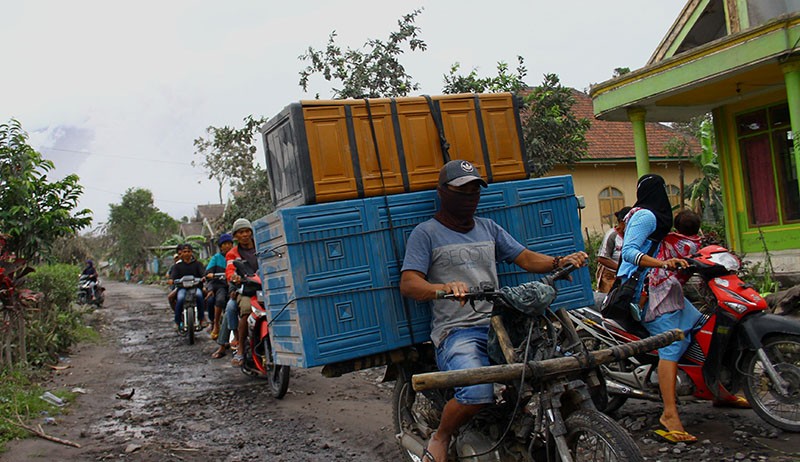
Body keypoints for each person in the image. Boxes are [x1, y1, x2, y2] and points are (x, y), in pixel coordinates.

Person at [399, 160, 587, 462]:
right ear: (443, 193)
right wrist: (444, 288)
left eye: (475, 189)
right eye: (462, 190)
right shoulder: (426, 233)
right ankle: (442, 435)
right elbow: (409, 283)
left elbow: (524, 257)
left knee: (552, 370)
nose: (470, 196)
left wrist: (559, 261)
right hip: (458, 331)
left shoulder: (489, 228)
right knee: (476, 395)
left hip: (501, 325)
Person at [616, 175, 702, 444]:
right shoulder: (646, 217)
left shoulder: (657, 216)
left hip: (662, 284)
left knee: (699, 323)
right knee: (672, 343)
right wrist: (662, 265)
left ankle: (717, 390)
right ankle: (669, 414)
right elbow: (629, 252)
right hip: (644, 289)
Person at [224, 218, 259, 367]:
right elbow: (230, 270)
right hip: (246, 290)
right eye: (241, 232)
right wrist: (234, 277)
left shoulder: (261, 246)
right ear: (236, 236)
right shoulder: (232, 254)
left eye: (247, 231)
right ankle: (240, 350)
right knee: (246, 310)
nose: (245, 234)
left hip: (265, 288)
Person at [168, 244, 207, 332]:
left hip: (196, 287)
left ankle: (202, 319)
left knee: (200, 296)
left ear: (191, 253)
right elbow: (172, 276)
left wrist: (204, 277)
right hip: (182, 288)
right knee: (180, 298)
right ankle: (177, 321)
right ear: (181, 253)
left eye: (188, 251)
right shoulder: (177, 266)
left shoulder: (198, 264)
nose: (186, 254)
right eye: (184, 252)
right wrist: (171, 280)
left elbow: (203, 273)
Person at [595, 206, 632, 293]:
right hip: (610, 276)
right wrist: (621, 268)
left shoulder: (633, 235)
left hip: (628, 275)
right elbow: (602, 258)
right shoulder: (612, 235)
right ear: (622, 223)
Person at [207, 233, 233, 345]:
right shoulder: (216, 258)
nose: (227, 246)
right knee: (220, 300)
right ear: (221, 246)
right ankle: (216, 324)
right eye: (225, 244)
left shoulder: (235, 255)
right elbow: (208, 272)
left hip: (234, 284)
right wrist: (211, 275)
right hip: (221, 285)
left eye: (229, 243)